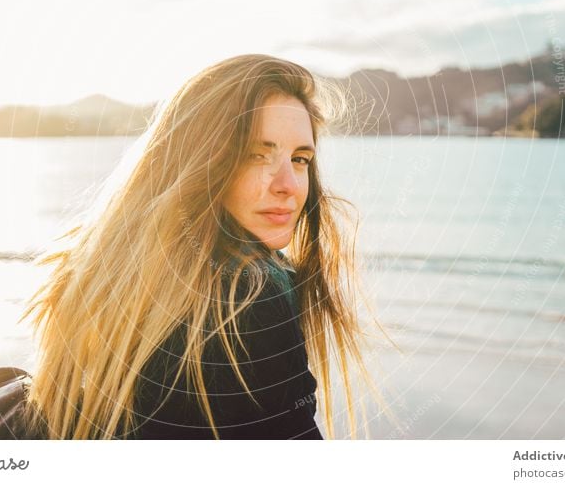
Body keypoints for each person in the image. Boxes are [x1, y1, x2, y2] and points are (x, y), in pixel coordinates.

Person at [21, 54, 379, 439]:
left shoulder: (103, 272)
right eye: (257, 155)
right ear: (201, 161)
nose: (288, 185)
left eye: (300, 159)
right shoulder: (252, 293)